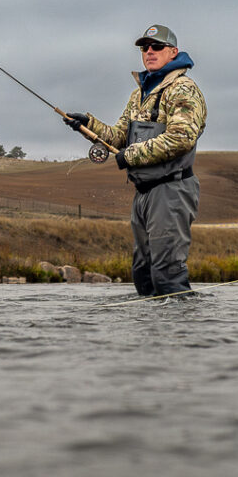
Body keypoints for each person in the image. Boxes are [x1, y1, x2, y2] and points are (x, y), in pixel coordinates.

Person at [64, 24, 207, 297]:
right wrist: (88, 125)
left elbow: (181, 139)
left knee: (167, 271)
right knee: (143, 271)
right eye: (145, 48)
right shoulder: (139, 93)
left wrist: (128, 156)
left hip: (172, 190)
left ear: (173, 52)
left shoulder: (183, 89)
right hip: (143, 193)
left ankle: (184, 337)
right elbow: (118, 136)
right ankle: (148, 337)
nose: (149, 52)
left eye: (157, 47)